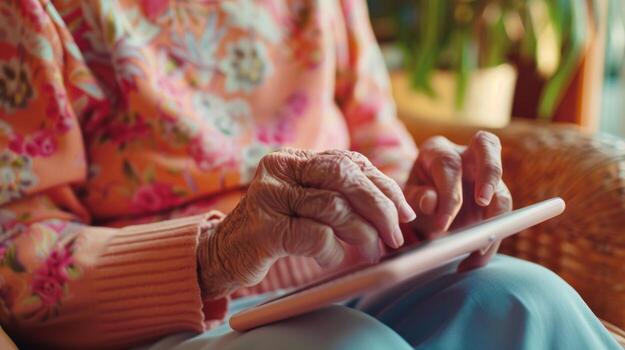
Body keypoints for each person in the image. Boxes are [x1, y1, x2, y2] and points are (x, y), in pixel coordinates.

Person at [0, 0, 619, 349]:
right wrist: (216, 254)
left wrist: (426, 201)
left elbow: (380, 141)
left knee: (526, 300)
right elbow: (18, 260)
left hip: (358, 277)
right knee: (349, 348)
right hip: (165, 326)